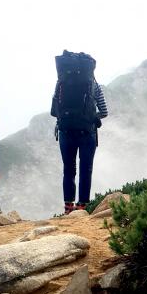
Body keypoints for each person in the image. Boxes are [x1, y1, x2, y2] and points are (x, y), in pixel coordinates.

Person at [50, 50, 108, 214]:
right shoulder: (93, 85)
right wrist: (92, 117)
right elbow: (104, 111)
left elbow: (54, 111)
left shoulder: (61, 83)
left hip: (65, 131)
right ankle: (82, 206)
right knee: (85, 169)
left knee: (68, 169)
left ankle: (68, 207)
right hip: (87, 133)